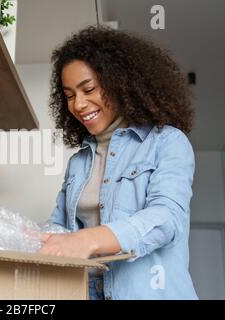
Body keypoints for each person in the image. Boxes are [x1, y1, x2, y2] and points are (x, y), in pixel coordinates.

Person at [40, 26, 197, 300]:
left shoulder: (167, 142)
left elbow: (166, 218)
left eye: (88, 89)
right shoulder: (79, 163)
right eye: (69, 95)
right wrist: (21, 236)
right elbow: (60, 229)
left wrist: (89, 239)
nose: (78, 104)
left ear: (119, 81)